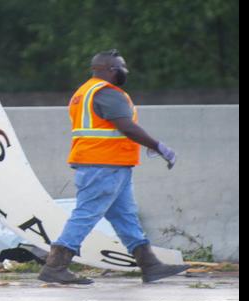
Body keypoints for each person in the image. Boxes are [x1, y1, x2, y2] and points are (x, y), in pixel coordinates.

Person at [38, 49, 188, 285]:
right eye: (122, 67)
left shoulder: (83, 92)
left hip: (108, 165)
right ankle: (55, 266)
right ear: (110, 69)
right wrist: (158, 146)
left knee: (125, 217)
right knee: (86, 214)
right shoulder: (107, 93)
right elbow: (127, 127)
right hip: (104, 165)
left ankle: (150, 265)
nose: (125, 71)